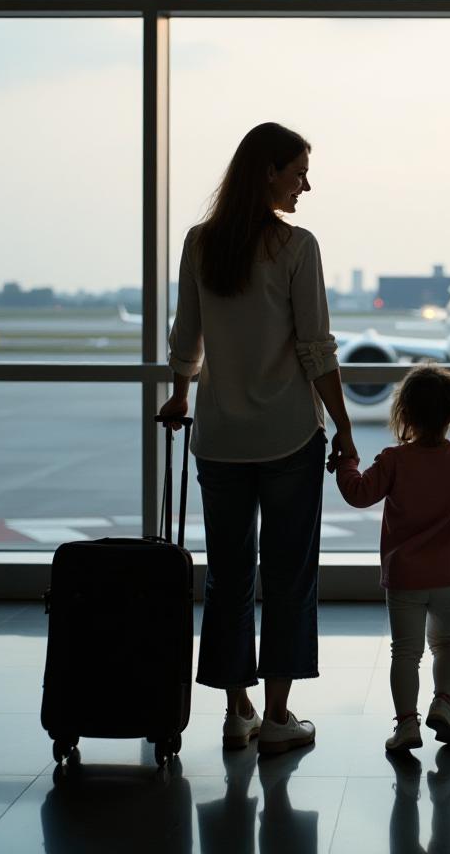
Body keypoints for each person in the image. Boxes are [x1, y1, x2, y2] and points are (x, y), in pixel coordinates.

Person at [159, 121, 357, 756]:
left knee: (228, 575)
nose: (307, 184)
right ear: (268, 171)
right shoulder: (297, 247)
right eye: (298, 170)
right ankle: (278, 716)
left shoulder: (200, 243)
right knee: (290, 575)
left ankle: (236, 710)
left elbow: (186, 336)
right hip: (289, 436)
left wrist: (183, 392)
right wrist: (345, 427)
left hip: (218, 439)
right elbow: (315, 349)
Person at [331, 364, 450, 753]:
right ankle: (445, 705)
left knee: (406, 652)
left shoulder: (393, 461)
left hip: (405, 577)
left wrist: (346, 461)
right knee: (447, 642)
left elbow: (358, 493)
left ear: (404, 414)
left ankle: (406, 725)